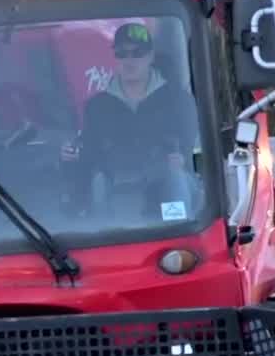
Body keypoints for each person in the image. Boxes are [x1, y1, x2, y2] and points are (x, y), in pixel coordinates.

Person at [64, 22, 198, 220]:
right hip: (114, 179)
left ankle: (180, 233)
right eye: (122, 53)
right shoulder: (96, 106)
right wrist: (70, 155)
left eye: (137, 52)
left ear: (151, 56)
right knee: (97, 183)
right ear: (115, 57)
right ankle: (103, 239)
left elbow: (189, 150)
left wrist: (182, 159)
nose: (130, 60)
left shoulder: (179, 100)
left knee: (178, 180)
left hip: (162, 177)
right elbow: (89, 153)